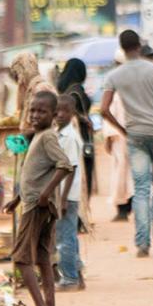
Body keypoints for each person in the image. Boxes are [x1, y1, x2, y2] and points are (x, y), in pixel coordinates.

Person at [101, 30, 153, 257]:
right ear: (140, 45)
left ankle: (142, 244)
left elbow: (104, 109)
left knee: (141, 189)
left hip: (135, 135)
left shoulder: (114, 76)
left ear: (122, 48)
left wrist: (123, 129)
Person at [3, 91, 71, 306]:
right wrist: (17, 198)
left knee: (21, 258)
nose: (34, 115)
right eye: (32, 110)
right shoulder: (39, 136)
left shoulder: (47, 138)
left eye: (41, 111)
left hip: (37, 206)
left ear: (53, 115)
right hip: (33, 202)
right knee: (42, 258)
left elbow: (64, 165)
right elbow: (37, 172)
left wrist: (44, 194)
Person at [54, 95, 85, 292]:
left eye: (65, 111)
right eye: (57, 111)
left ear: (72, 113)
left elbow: (71, 168)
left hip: (67, 195)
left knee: (63, 239)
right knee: (70, 236)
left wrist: (63, 199)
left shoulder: (69, 137)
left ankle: (70, 278)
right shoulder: (60, 134)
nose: (60, 115)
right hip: (65, 194)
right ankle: (77, 274)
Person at [56, 58, 94, 198]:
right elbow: (73, 112)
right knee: (84, 172)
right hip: (81, 137)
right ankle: (80, 212)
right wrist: (84, 118)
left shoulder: (65, 90)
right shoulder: (77, 90)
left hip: (68, 136)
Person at [102, 51, 133, 221]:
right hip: (122, 137)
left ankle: (124, 209)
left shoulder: (117, 83)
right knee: (124, 174)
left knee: (126, 175)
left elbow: (106, 111)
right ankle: (124, 208)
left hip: (124, 136)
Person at [11, 52, 57, 134]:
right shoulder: (32, 88)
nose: (18, 81)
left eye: (17, 74)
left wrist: (25, 136)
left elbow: (45, 124)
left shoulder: (40, 88)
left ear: (22, 72)